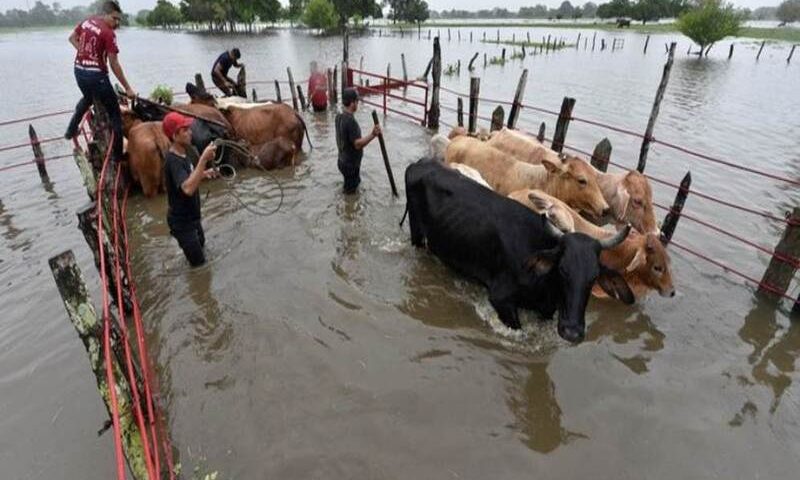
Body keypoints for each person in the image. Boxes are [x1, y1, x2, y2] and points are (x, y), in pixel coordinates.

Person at [64, 1, 134, 162]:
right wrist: (128, 88)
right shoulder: (108, 33)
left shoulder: (87, 22)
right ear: (105, 14)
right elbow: (114, 63)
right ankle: (118, 156)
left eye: (119, 20)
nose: (117, 23)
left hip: (79, 71)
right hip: (97, 77)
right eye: (115, 19)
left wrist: (86, 54)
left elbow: (72, 38)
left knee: (88, 98)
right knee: (115, 115)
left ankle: (71, 129)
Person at [162, 112, 219, 267]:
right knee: (199, 266)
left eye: (188, 128)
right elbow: (187, 189)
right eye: (185, 130)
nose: (190, 132)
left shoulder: (183, 154)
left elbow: (187, 179)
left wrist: (204, 173)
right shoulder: (173, 160)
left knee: (202, 249)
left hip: (193, 218)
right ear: (175, 136)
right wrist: (203, 160)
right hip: (183, 223)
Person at [335, 88, 381, 194]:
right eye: (357, 101)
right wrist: (373, 134)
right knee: (351, 195)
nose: (357, 104)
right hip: (350, 165)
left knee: (350, 187)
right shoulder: (350, 121)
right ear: (352, 103)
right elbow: (357, 144)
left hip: (342, 161)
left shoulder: (339, 117)